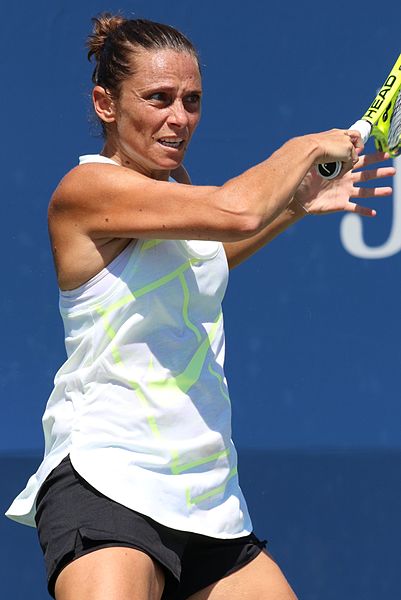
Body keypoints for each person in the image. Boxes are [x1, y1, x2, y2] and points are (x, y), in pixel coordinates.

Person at [6, 13, 395, 600]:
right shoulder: (86, 191)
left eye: (191, 101)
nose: (179, 117)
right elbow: (237, 212)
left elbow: (210, 256)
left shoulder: (176, 194)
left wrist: (291, 206)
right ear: (105, 104)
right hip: (107, 479)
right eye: (158, 98)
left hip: (207, 494)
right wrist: (304, 147)